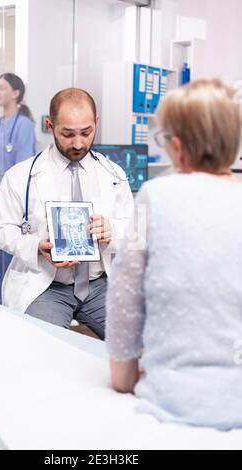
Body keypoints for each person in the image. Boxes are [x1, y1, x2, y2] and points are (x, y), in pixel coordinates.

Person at [106, 79, 242, 430]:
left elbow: (125, 298)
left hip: (174, 398)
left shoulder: (155, 195)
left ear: (178, 148)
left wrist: (124, 376)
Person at [0, 88, 133, 339]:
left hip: (100, 285)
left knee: (139, 344)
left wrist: (112, 231)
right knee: (43, 348)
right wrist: (35, 247)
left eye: (86, 132)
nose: (78, 143)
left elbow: (135, 230)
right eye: (67, 134)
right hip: (47, 286)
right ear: (50, 125)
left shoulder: (114, 175)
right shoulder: (21, 176)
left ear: (96, 123)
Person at [0, 73, 36, 304]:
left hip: (10, 203)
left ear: (16, 93)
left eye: (2, 88)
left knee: (7, 257)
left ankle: (9, 311)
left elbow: (24, 168)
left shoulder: (24, 126)